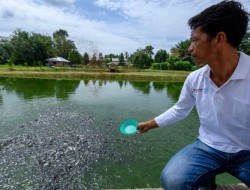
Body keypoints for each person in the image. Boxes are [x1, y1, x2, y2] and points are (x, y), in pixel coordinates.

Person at [137, 1, 250, 189]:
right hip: (208, 147)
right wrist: (150, 124)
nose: (190, 48)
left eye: (195, 40)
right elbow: (180, 110)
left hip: (247, 151)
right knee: (173, 180)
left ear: (219, 39)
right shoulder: (195, 79)